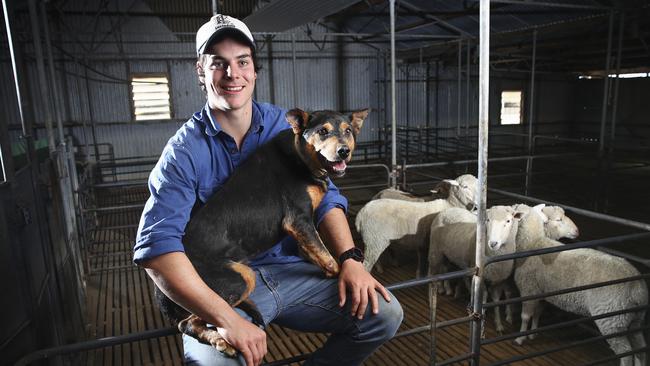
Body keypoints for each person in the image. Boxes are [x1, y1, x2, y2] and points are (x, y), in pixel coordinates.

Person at [134, 14, 403, 366]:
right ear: (200, 71)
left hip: (291, 270)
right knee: (215, 364)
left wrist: (350, 260)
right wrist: (228, 322)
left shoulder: (282, 125)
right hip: (221, 279)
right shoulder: (182, 153)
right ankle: (202, 327)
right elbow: (157, 251)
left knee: (384, 314)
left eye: (242, 62)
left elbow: (327, 198)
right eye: (218, 64)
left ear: (254, 71)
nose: (233, 74)